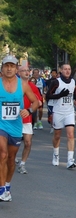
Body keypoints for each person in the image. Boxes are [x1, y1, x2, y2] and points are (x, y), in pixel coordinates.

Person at [0, 55, 39, 201]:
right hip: (1, 125)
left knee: (11, 159)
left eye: (12, 66)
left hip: (16, 127)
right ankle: (1, 188)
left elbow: (36, 102)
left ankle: (7, 187)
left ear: (16, 68)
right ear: (2, 68)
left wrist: (28, 110)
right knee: (2, 155)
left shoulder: (22, 85)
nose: (9, 69)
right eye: (6, 66)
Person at [46, 64, 76, 169]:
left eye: (69, 69)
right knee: (57, 136)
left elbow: (74, 94)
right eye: (65, 69)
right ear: (61, 71)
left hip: (69, 112)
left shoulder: (73, 81)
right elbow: (48, 96)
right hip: (58, 112)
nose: (67, 71)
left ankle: (70, 160)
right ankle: (55, 154)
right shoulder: (56, 82)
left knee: (70, 135)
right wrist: (59, 95)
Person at [16, 65, 42, 174]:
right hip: (13, 118)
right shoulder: (13, 85)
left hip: (26, 117)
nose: (26, 73)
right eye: (23, 71)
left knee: (28, 143)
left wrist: (31, 108)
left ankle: (22, 164)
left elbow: (39, 102)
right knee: (12, 143)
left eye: (27, 71)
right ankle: (11, 158)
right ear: (18, 72)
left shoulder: (32, 86)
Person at [46, 68, 58, 134]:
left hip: (56, 99)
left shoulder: (58, 81)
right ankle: (52, 126)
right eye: (52, 73)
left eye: (54, 73)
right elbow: (46, 89)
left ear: (56, 74)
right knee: (51, 114)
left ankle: (55, 125)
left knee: (55, 114)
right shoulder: (48, 81)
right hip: (50, 99)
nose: (53, 74)